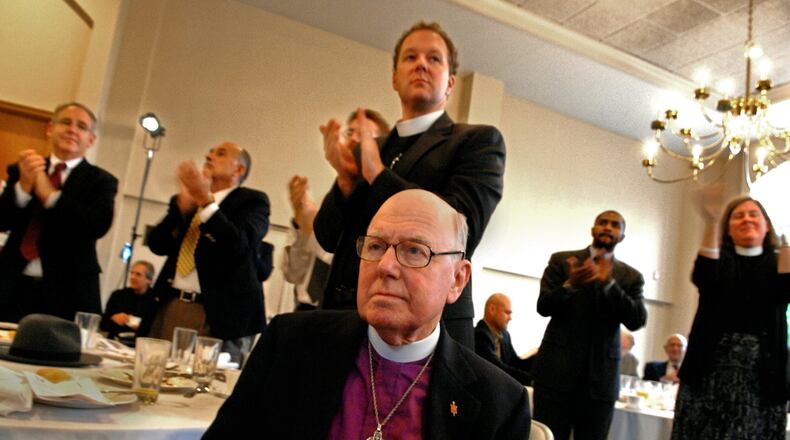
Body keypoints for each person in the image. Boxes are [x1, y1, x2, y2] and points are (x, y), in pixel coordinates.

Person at [204, 189, 531, 439]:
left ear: (457, 279)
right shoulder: (289, 342)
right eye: (375, 246)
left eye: (415, 250)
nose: (386, 266)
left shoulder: (499, 403)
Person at [314, 21, 506, 349]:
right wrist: (346, 182)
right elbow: (328, 238)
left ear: (450, 84)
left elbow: (464, 228)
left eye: (434, 59)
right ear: (394, 78)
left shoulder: (477, 142)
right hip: (343, 324)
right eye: (410, 57)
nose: (421, 64)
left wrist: (376, 173)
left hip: (426, 333)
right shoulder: (375, 147)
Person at [672, 191, 790, 440]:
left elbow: (787, 287)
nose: (746, 219)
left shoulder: (777, 261)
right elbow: (703, 275)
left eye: (753, 214)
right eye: (738, 216)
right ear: (727, 229)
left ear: (766, 226)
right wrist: (712, 220)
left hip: (763, 375)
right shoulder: (719, 261)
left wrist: (786, 235)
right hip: (709, 371)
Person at [146, 142, 269, 363]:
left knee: (201, 387)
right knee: (156, 373)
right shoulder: (190, 202)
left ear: (238, 170)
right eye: (209, 152)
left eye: (220, 153)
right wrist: (180, 209)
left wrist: (206, 201)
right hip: (171, 304)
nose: (209, 155)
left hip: (217, 313)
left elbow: (238, 245)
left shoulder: (252, 201)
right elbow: (157, 244)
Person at [531, 210, 647, 440]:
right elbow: (543, 306)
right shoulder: (562, 261)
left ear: (622, 236)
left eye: (615, 225)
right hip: (555, 375)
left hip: (601, 382)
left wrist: (610, 285)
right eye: (602, 222)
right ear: (593, 229)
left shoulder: (631, 277)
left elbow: (637, 320)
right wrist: (570, 285)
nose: (608, 227)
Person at [0, 102, 118, 322]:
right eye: (65, 122)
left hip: (67, 290)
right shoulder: (24, 168)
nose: (72, 130)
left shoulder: (101, 181)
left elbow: (96, 225)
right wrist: (23, 189)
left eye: (81, 126)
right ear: (50, 128)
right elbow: (3, 220)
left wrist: (51, 196)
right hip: (13, 285)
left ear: (91, 140)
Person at [474, 292, 533, 385]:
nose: (510, 318)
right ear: (492, 309)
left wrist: (539, 356)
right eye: (507, 312)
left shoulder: (505, 335)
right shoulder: (479, 335)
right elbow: (498, 368)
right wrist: (531, 380)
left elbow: (515, 362)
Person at [100, 260, 158, 340]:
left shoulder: (155, 301)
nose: (133, 277)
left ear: (149, 280)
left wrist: (141, 327)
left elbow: (155, 329)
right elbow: (103, 324)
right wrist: (113, 318)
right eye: (132, 273)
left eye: (138, 274)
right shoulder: (118, 295)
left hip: (138, 344)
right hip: (115, 340)